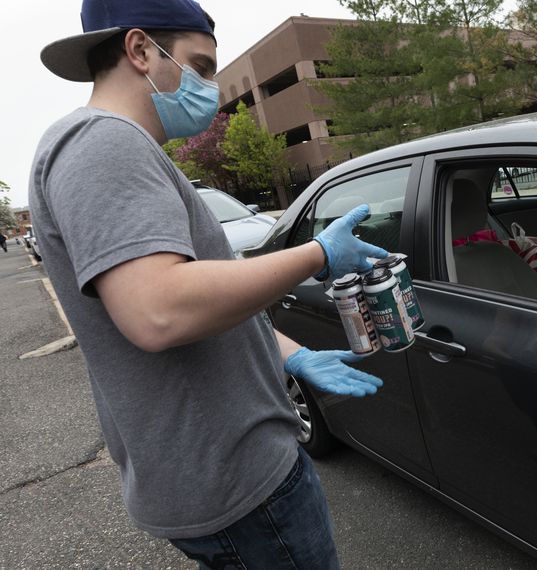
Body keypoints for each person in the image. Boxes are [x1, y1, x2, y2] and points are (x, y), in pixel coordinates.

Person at [29, 1, 387, 567]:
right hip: (237, 480)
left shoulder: (117, 146)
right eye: (200, 65)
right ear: (141, 50)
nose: (211, 87)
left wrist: (288, 355)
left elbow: (194, 300)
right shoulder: (104, 143)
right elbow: (159, 310)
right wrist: (316, 253)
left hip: (223, 471)